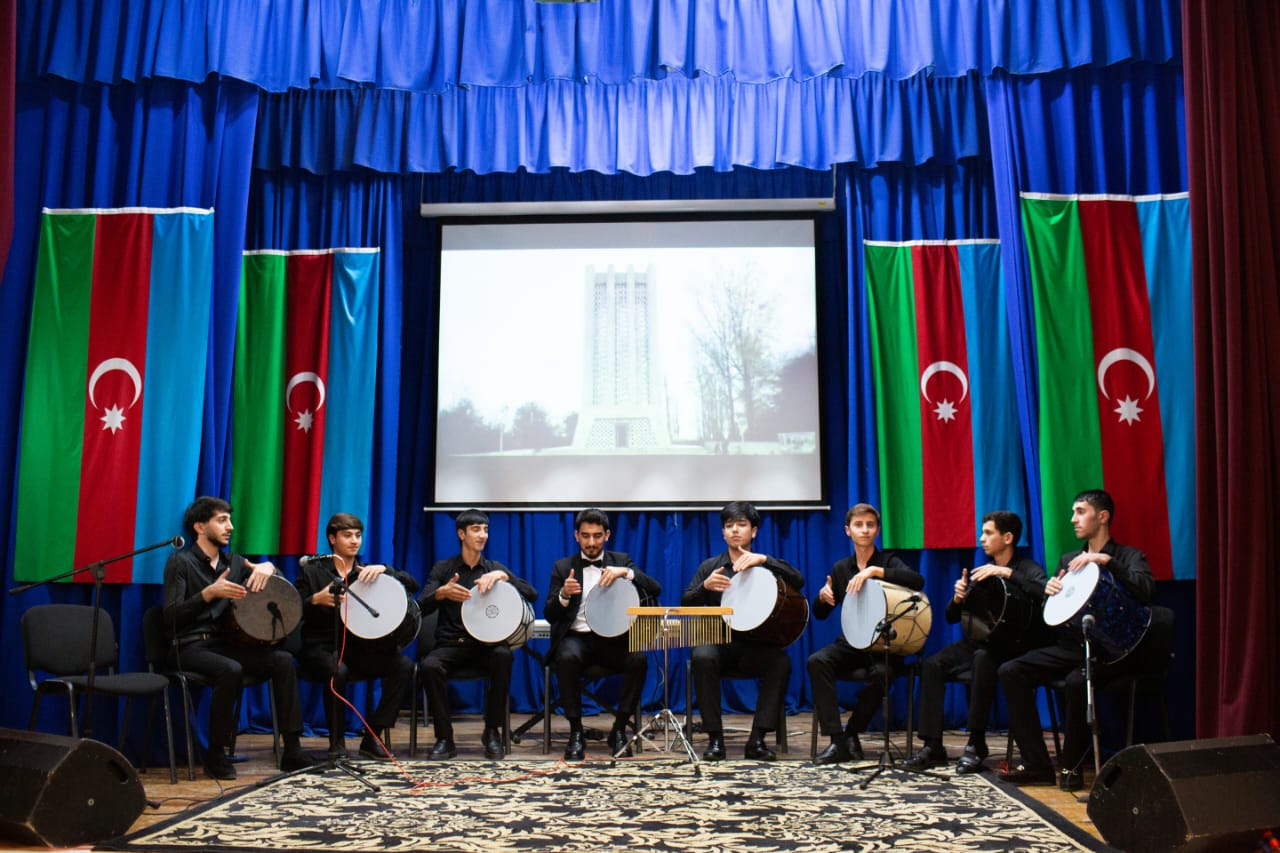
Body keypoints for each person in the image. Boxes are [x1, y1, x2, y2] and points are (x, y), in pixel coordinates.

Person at [998, 489, 1155, 792]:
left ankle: (1071, 767)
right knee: (1011, 670)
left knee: (1075, 681)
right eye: (1073, 512)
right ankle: (1037, 765)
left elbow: (1147, 591)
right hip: (1072, 646)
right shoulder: (1069, 560)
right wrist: (1052, 591)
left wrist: (1108, 562)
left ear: (1103, 516)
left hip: (1112, 652)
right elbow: (1055, 613)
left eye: (1080, 511)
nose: (1073, 519)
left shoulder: (1127, 556)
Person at [162, 496, 319, 779]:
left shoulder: (233, 562)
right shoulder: (180, 562)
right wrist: (207, 594)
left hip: (224, 645)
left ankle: (293, 749)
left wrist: (269, 567)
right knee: (230, 670)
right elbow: (170, 617)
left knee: (282, 660)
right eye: (222, 520)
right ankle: (216, 754)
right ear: (200, 526)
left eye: (230, 520)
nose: (230, 526)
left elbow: (277, 586)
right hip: (188, 645)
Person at [902, 511, 1048, 772]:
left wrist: (1007, 573)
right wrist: (958, 598)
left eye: (988, 533)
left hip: (1014, 647)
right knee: (932, 665)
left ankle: (976, 742)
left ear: (1008, 537)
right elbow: (951, 617)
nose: (982, 538)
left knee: (983, 658)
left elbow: (1044, 592)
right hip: (981, 642)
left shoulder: (1027, 568)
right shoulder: (982, 573)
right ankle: (933, 745)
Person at [682, 501, 804, 761]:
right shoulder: (711, 566)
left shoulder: (764, 564)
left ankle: (757, 739)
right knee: (702, 656)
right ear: (723, 532)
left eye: (741, 524)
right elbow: (685, 602)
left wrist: (766, 560)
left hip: (756, 644)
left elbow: (799, 580)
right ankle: (715, 740)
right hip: (717, 641)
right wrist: (704, 586)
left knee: (780, 662)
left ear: (754, 531)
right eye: (729, 526)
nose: (735, 530)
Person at [808, 503, 924, 765]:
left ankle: (852, 732)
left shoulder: (888, 561)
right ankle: (838, 740)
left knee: (883, 675)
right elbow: (820, 613)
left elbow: (917, 581)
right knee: (817, 661)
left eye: (870, 525)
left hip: (884, 645)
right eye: (858, 525)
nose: (865, 530)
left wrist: (874, 571)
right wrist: (822, 598)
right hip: (851, 643)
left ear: (877, 530)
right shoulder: (841, 568)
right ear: (848, 530)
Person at [294, 513, 416, 760]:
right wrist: (314, 599)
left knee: (403, 665)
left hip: (360, 647)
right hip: (322, 646)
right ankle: (336, 743)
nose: (354, 541)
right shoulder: (313, 571)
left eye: (358, 536)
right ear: (332, 539)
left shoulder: (368, 572)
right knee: (337, 671)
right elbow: (293, 609)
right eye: (347, 535)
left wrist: (385, 569)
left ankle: (372, 736)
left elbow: (411, 584)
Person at [417, 509, 538, 760]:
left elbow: (532, 593)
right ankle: (444, 738)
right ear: (461, 534)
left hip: (485, 645)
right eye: (475, 529)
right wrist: (442, 593)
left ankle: (492, 731)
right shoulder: (444, 569)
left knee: (504, 655)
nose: (482, 535)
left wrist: (505, 577)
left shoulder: (494, 568)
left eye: (485, 529)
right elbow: (422, 605)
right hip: (451, 644)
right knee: (429, 665)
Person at [545, 508, 661, 761]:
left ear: (607, 535)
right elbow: (551, 613)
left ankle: (619, 729)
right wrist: (564, 595)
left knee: (638, 659)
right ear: (576, 536)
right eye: (585, 536)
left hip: (613, 640)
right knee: (566, 658)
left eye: (597, 535)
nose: (591, 542)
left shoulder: (621, 560)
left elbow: (655, 587)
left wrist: (627, 573)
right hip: (577, 639)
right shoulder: (563, 567)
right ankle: (576, 731)